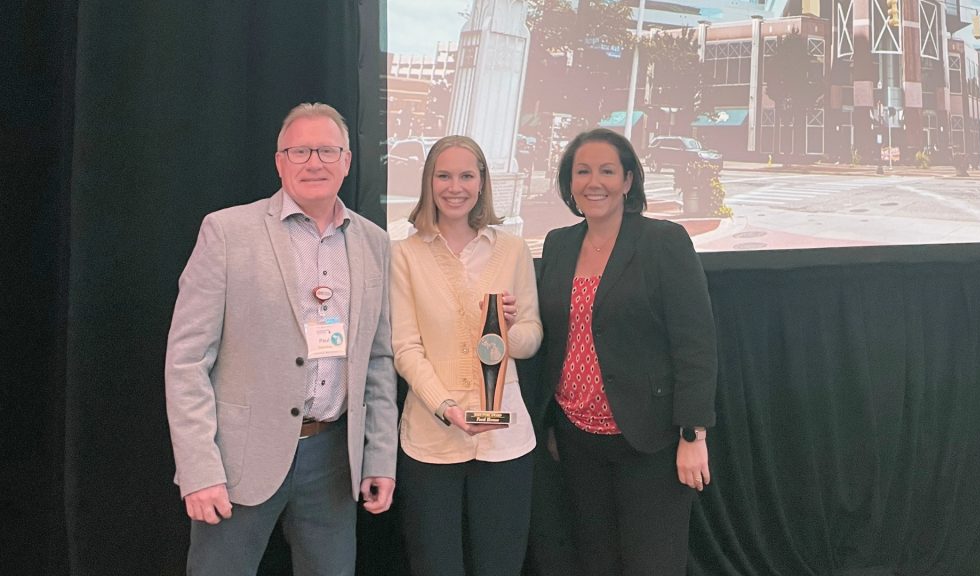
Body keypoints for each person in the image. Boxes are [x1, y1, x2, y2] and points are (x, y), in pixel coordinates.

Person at [165, 102, 398, 576]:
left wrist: (379, 457)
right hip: (237, 461)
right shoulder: (228, 232)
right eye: (300, 151)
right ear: (279, 161)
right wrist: (199, 469)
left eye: (327, 150)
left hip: (333, 459)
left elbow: (377, 360)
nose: (314, 162)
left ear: (347, 161)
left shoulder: (375, 242)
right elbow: (187, 361)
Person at [534, 128, 718, 575]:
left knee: (651, 564)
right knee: (595, 561)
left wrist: (693, 435)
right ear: (569, 181)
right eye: (582, 171)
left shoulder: (663, 241)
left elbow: (695, 343)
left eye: (606, 170)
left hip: (649, 439)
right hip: (576, 439)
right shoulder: (558, 244)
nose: (593, 182)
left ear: (628, 180)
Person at [390, 135, 543, 576]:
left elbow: (532, 338)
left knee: (500, 564)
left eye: (466, 176)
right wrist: (446, 406)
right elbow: (406, 348)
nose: (454, 187)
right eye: (443, 175)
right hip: (432, 437)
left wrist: (509, 331)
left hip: (505, 438)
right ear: (428, 182)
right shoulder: (405, 254)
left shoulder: (512, 249)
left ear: (482, 183)